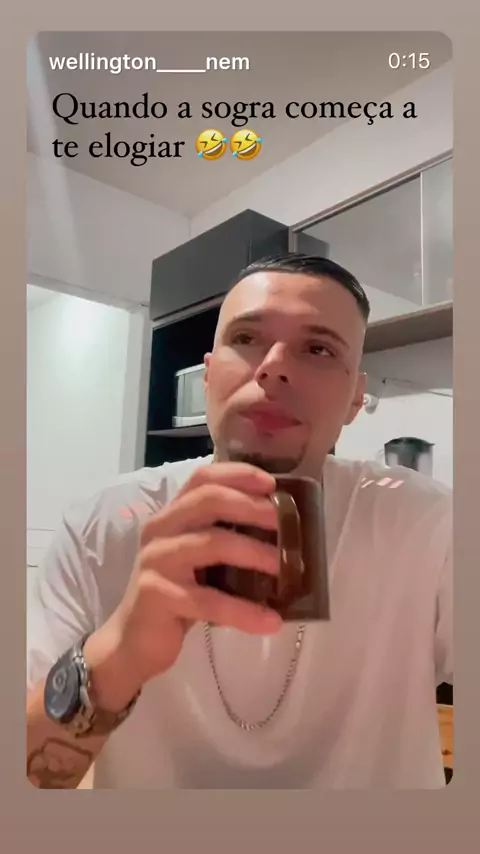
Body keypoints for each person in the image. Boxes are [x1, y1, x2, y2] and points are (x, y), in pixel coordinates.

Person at [26, 253, 452, 790]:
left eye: (318, 349)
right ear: (208, 376)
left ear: (355, 400)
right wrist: (118, 654)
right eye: (247, 338)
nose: (274, 366)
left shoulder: (429, 525)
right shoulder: (101, 527)